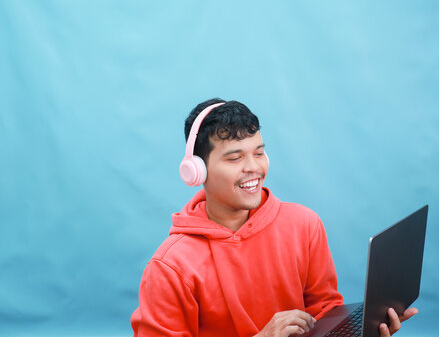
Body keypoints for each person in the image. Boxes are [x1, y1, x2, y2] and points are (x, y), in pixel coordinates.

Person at [131, 98, 417, 336]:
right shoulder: (170, 266)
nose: (253, 167)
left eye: (259, 152)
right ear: (197, 171)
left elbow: (325, 313)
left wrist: (363, 330)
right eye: (235, 158)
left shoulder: (304, 225)